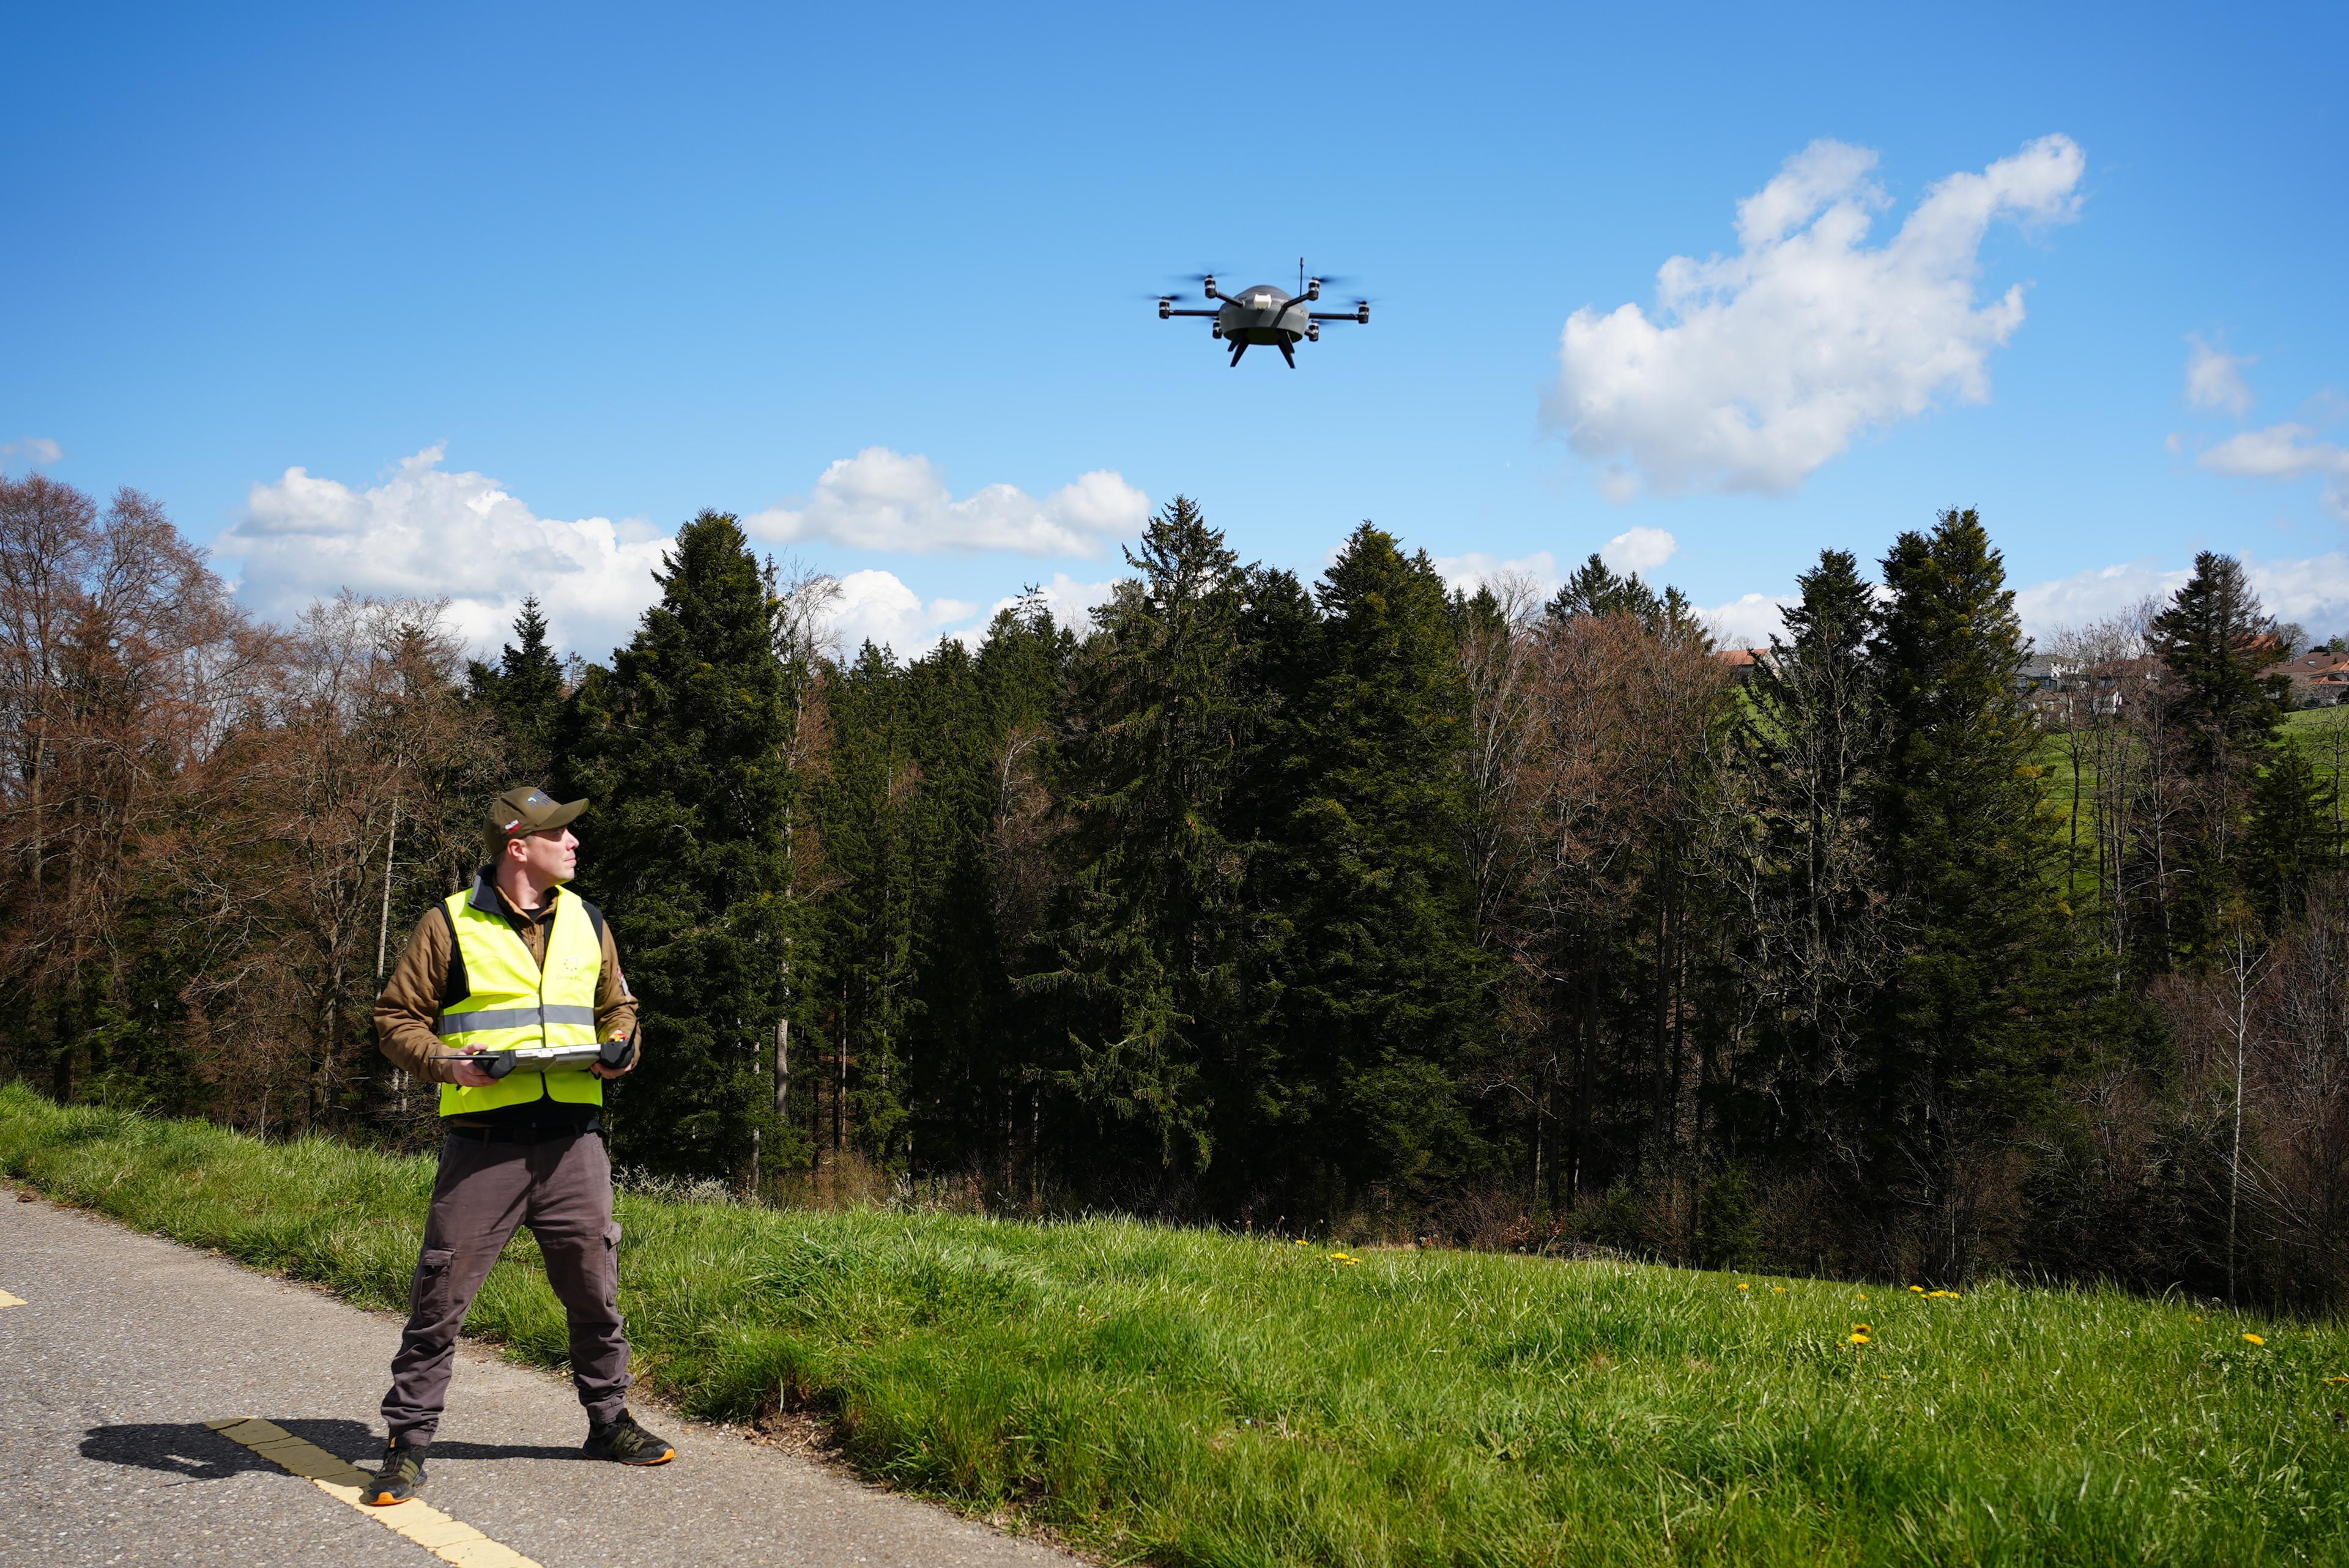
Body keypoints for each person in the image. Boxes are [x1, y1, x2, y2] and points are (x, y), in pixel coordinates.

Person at [362, 786, 674, 1506]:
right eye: (559, 833)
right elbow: (395, 1019)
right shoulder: (449, 922)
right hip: (485, 1144)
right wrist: (448, 1061)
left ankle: (608, 1421)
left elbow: (618, 1006)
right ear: (516, 845)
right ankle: (406, 1444)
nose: (574, 843)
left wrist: (624, 1045)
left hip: (575, 1144)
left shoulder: (589, 919)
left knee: (597, 1290)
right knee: (440, 1298)